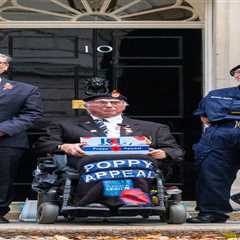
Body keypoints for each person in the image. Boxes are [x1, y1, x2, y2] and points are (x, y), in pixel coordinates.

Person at [36, 90, 184, 170]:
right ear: (87, 106)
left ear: (124, 106)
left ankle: (137, 200)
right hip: (88, 165)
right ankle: (92, 201)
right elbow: (42, 145)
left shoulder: (153, 128)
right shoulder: (64, 125)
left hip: (137, 166)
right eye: (101, 102)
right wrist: (65, 146)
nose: (108, 105)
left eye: (115, 102)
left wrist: (163, 153)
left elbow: (176, 151)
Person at [187, 65, 240, 223]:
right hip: (221, 135)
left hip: (224, 127)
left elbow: (220, 114)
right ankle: (212, 212)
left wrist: (228, 113)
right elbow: (208, 117)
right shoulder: (217, 95)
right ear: (237, 75)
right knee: (212, 172)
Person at [0, 53, 43, 223]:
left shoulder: (26, 89)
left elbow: (32, 114)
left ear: (5, 67)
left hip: (6, 141)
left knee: (3, 178)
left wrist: (3, 129)